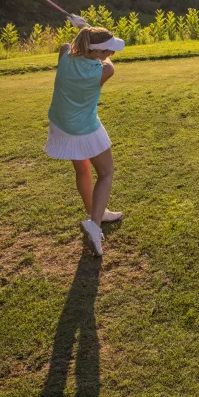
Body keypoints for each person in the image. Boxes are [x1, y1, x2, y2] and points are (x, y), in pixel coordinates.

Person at [44, 25, 125, 256]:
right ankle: (94, 224)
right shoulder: (104, 71)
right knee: (107, 172)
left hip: (61, 125)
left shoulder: (64, 53)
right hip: (84, 127)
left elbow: (72, 46)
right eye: (109, 50)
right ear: (98, 53)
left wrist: (84, 31)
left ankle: (94, 213)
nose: (112, 54)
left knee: (83, 170)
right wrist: (85, 28)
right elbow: (109, 65)